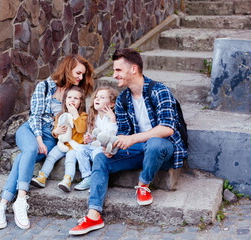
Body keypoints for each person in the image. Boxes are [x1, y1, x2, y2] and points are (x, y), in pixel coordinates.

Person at [69, 48, 187, 235]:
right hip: (138, 149)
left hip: (162, 149)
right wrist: (112, 147)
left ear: (133, 69)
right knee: (100, 157)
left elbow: (168, 128)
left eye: (118, 70)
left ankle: (144, 184)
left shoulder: (159, 90)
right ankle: (93, 215)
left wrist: (132, 139)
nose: (114, 75)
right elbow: (123, 132)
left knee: (154, 143)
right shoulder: (124, 98)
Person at [0, 55, 93, 230]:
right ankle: (21, 199)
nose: (81, 77)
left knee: (21, 158)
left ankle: (2, 204)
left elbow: (78, 120)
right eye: (78, 73)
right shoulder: (45, 86)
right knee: (30, 149)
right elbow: (35, 117)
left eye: (83, 75)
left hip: (51, 138)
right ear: (68, 68)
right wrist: (39, 139)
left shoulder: (73, 94)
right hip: (31, 130)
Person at [31, 86, 87, 192]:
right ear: (65, 100)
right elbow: (56, 131)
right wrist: (55, 132)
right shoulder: (60, 116)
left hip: (74, 146)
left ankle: (67, 180)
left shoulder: (83, 116)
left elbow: (81, 129)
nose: (72, 100)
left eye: (76, 98)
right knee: (51, 156)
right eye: (69, 97)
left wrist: (75, 114)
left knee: (70, 161)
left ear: (81, 102)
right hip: (62, 144)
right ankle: (42, 177)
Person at [74, 87, 119, 191]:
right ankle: (87, 177)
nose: (97, 99)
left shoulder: (111, 117)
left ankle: (97, 178)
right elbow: (93, 136)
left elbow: (112, 135)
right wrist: (89, 138)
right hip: (93, 146)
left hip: (103, 149)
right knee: (80, 149)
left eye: (102, 97)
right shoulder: (94, 116)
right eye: (96, 97)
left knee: (97, 153)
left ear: (112, 103)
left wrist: (112, 119)